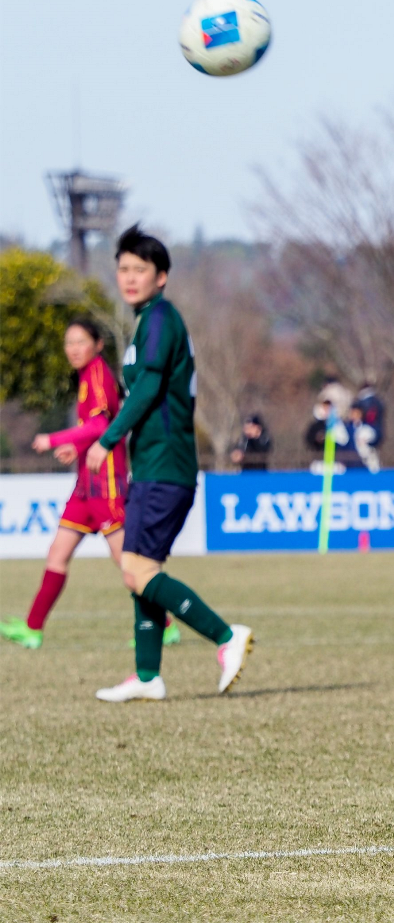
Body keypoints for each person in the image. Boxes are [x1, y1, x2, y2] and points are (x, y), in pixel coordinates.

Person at [84, 224, 253, 702]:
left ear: (162, 276)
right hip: (154, 465)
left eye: (140, 269)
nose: (129, 277)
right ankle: (146, 676)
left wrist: (108, 439)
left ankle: (225, 636)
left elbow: (150, 388)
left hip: (167, 466)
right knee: (141, 570)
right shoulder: (147, 322)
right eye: (123, 268)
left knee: (137, 569)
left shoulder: (160, 318)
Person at [0, 318, 178, 650]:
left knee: (128, 563)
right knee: (57, 554)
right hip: (86, 486)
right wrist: (76, 447)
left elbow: (100, 426)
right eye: (69, 343)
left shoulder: (97, 373)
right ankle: (32, 629)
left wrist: (55, 438)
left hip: (106, 486)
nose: (73, 349)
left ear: (97, 344)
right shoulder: (86, 376)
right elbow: (98, 429)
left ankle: (165, 625)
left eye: (81, 341)